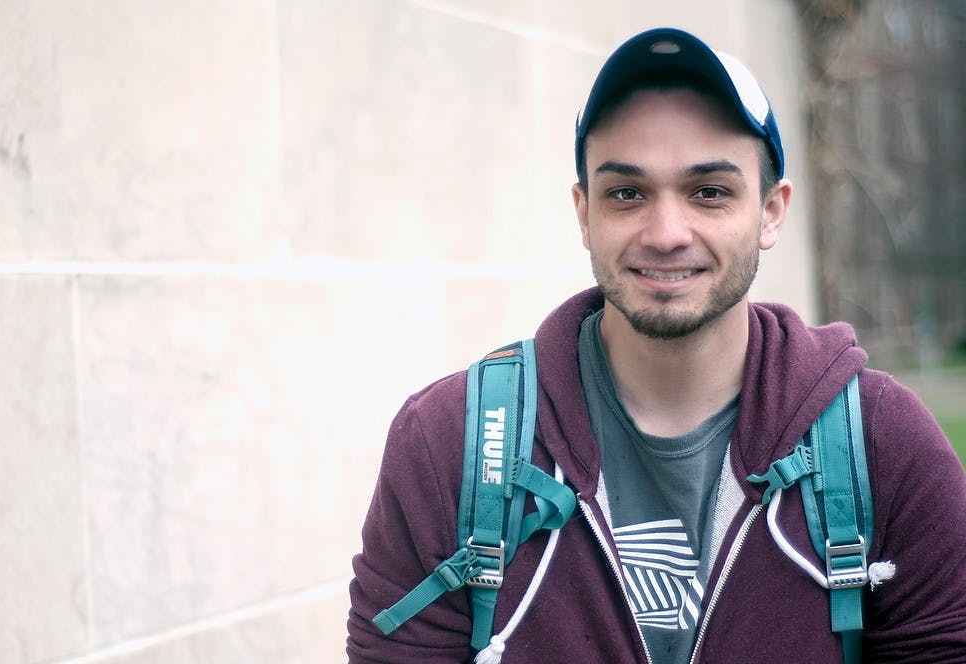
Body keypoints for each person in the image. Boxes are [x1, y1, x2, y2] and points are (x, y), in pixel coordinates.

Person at [346, 27, 966, 663]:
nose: (667, 232)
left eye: (710, 192)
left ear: (772, 212)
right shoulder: (449, 442)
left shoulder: (884, 441)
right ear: (585, 213)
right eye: (627, 193)